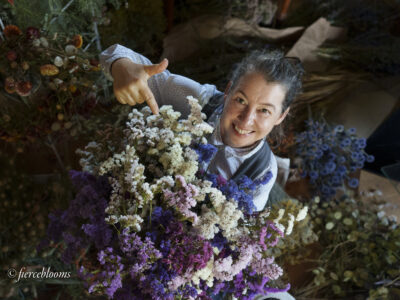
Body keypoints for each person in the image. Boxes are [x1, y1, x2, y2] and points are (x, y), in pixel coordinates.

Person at [100, 44, 304, 213]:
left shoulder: (262, 171)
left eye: (264, 111)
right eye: (240, 100)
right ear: (227, 92)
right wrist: (122, 68)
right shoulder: (198, 101)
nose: (246, 119)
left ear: (281, 116)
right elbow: (113, 52)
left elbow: (235, 234)